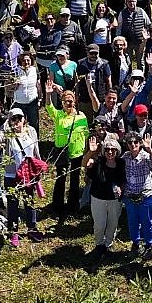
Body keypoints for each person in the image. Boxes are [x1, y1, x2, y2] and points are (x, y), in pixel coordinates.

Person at [44, 82, 89, 224]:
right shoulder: (58, 116)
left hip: (77, 152)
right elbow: (48, 107)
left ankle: (72, 206)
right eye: (65, 101)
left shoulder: (82, 117)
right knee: (61, 178)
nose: (68, 103)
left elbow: (86, 134)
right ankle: (57, 206)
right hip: (62, 152)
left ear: (74, 101)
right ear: (62, 103)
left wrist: (86, 150)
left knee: (75, 180)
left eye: (71, 101)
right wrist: (48, 94)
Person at [4, 108, 43, 247]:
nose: (17, 122)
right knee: (13, 203)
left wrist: (39, 168)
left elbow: (36, 150)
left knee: (29, 201)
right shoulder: (7, 135)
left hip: (29, 173)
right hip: (12, 175)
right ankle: (13, 232)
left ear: (24, 119)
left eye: (19, 119)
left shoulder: (31, 131)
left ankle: (32, 228)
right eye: (13, 119)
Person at [82, 135, 126, 257]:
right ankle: (99, 245)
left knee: (113, 224)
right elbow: (84, 164)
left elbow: (124, 180)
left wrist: (121, 189)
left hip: (115, 200)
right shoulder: (98, 162)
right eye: (107, 149)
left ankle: (108, 244)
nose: (110, 152)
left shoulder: (121, 163)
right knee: (99, 225)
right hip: (98, 199)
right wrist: (90, 152)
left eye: (113, 149)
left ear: (117, 151)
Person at [123, 132, 152, 260]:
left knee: (147, 222)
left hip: (145, 195)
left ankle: (149, 244)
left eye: (136, 142)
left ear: (140, 143)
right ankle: (136, 243)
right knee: (132, 221)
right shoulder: (125, 157)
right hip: (130, 195)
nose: (133, 145)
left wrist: (149, 149)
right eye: (130, 143)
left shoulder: (146, 156)